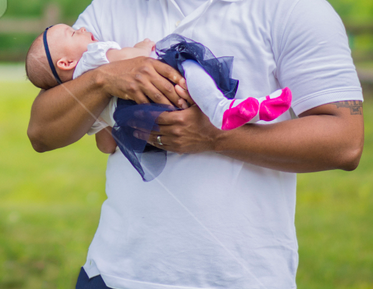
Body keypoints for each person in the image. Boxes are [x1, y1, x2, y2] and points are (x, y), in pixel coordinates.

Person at [26, 0, 364, 289]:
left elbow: (345, 141)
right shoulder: (110, 10)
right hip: (114, 279)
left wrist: (213, 137)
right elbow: (42, 133)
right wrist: (105, 78)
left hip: (240, 285)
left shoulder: (292, 7)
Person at [25, 28, 292, 180]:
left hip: (144, 116)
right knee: (186, 61)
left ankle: (238, 110)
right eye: (73, 32)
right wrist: (143, 48)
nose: (82, 29)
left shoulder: (82, 102)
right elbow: (131, 59)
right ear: (66, 63)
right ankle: (222, 108)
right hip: (162, 88)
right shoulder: (93, 56)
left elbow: (106, 145)